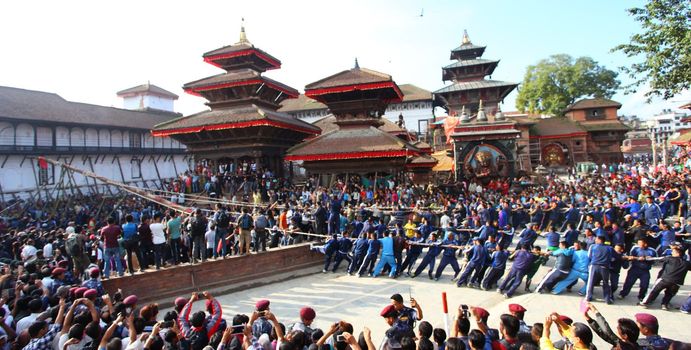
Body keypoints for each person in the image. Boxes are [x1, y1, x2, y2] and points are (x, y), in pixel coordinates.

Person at [639, 242, 690, 309]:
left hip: (665, 279)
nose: (672, 252)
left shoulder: (670, 258)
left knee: (654, 291)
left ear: (677, 253)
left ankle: (645, 303)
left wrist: (645, 258)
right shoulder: (687, 263)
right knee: (669, 294)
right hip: (677, 282)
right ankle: (664, 305)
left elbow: (657, 259)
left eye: (673, 251)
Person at [585, 235, 614, 304]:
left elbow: (589, 256)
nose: (595, 240)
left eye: (596, 239)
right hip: (605, 267)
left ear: (599, 240)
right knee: (606, 283)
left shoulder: (593, 246)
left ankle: (588, 297)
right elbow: (612, 258)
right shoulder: (609, 248)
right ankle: (607, 299)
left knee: (591, 282)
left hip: (594, 266)